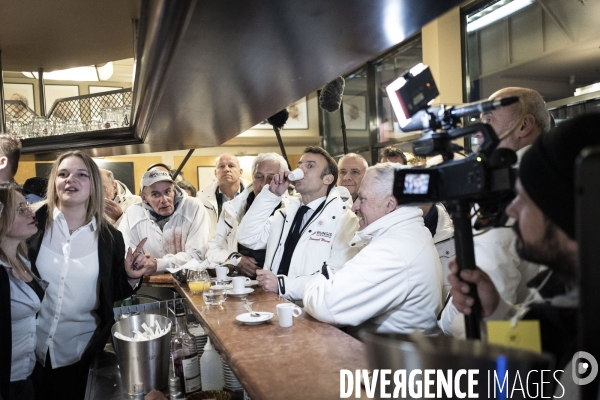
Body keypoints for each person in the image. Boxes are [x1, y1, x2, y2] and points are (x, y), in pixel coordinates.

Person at [448, 113, 600, 398]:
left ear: (569, 215)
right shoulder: (570, 293)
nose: (511, 210)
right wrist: (496, 312)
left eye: (525, 200)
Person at [28, 151, 151, 400]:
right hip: (29, 353)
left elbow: (112, 292)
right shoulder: (32, 224)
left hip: (81, 353)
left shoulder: (110, 238)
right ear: (54, 182)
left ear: (93, 184)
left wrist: (130, 276)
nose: (70, 179)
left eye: (81, 175)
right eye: (63, 174)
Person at [438, 87, 551, 337]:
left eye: (489, 120)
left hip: (502, 355)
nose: (479, 131)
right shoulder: (547, 179)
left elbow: (485, 314)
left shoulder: (506, 191)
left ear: (524, 125)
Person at [303, 164, 443, 335]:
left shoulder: (392, 250)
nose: (354, 206)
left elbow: (324, 305)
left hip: (389, 359)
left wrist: (321, 277)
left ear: (390, 204)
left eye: (362, 198)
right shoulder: (410, 234)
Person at [237, 146, 359, 303]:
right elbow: (248, 236)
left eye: (310, 166)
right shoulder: (285, 212)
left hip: (312, 313)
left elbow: (337, 274)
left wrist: (283, 285)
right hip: (275, 304)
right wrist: (271, 195)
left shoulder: (345, 219)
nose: (301, 169)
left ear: (327, 179)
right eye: (300, 165)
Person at [205, 153, 289, 277]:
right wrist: (235, 260)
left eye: (271, 178)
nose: (264, 184)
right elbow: (212, 250)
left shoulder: (291, 211)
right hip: (237, 284)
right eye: (259, 177)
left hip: (276, 286)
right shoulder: (232, 208)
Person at [0, 184, 45, 400]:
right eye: (20, 209)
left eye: (27, 205)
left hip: (25, 374)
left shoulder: (23, 259)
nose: (31, 212)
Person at [119, 170, 210, 273]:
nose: (164, 199)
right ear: (144, 198)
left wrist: (157, 264)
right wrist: (140, 262)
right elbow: (127, 254)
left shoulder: (193, 207)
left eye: (167, 192)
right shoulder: (133, 214)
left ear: (174, 191)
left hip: (187, 282)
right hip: (148, 284)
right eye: (156, 194)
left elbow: (197, 255)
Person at [197, 154, 249, 238]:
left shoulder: (254, 195)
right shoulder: (203, 200)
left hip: (245, 248)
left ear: (240, 172)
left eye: (231, 166)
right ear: (215, 173)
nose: (226, 169)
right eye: (221, 166)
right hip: (215, 248)